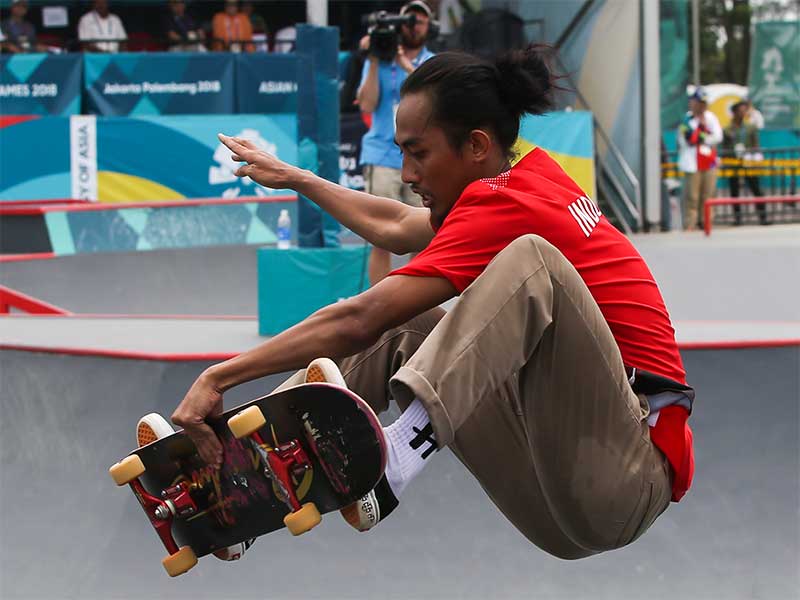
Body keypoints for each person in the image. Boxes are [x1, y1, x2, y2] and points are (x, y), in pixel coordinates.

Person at [171, 47, 695, 561]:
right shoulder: (518, 183)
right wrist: (298, 178)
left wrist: (220, 376)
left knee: (533, 263)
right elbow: (398, 227)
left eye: (418, 152)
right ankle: (235, 483)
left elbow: (360, 318)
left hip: (629, 472)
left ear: (475, 146)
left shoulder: (509, 203)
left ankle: (400, 454)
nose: (406, 172)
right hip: (555, 497)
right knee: (407, 328)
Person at [357, 0, 435, 284]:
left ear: (429, 27)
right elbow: (366, 104)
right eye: (408, 20)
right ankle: (379, 308)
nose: (413, 26)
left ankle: (416, 306)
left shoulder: (431, 62)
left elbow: (433, 97)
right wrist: (376, 58)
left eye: (420, 21)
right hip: (381, 154)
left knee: (425, 234)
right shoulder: (377, 60)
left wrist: (405, 64)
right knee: (380, 235)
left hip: (422, 157)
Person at [677, 87, 722, 231]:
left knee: (708, 194)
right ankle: (690, 224)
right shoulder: (687, 120)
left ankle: (707, 223)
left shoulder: (711, 118)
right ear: (692, 103)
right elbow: (686, 140)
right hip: (693, 163)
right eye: (698, 102)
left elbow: (717, 137)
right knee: (692, 196)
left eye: (704, 103)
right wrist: (702, 137)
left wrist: (702, 138)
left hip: (709, 162)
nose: (702, 106)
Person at [723, 100, 768, 226]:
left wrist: (752, 153)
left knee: (756, 189)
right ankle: (737, 218)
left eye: (744, 110)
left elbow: (756, 144)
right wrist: (731, 153)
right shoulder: (727, 129)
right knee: (734, 191)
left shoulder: (750, 127)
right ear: (734, 112)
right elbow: (724, 148)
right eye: (740, 110)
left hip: (749, 162)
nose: (743, 113)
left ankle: (763, 216)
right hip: (734, 163)